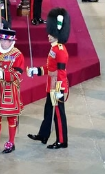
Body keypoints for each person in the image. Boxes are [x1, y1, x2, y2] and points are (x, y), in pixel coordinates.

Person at [27, 8, 71, 148]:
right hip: (51, 84)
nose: (48, 35)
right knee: (48, 110)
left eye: (51, 33)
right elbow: (49, 69)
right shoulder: (54, 49)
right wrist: (36, 71)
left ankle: (62, 140)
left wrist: (59, 89)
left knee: (58, 113)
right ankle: (44, 134)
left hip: (57, 86)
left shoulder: (60, 51)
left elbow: (61, 72)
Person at [0, 28, 25, 154]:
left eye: (6, 41)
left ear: (12, 42)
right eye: (2, 40)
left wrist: (2, 73)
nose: (3, 43)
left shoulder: (18, 55)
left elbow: (17, 74)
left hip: (9, 89)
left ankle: (11, 142)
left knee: (11, 117)